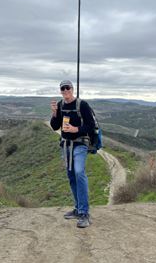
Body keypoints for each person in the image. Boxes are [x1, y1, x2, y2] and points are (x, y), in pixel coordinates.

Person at [50, 79, 95, 228]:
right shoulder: (61, 105)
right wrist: (55, 113)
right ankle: (78, 208)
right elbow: (55, 126)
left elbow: (90, 125)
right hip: (66, 145)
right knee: (71, 177)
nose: (65, 91)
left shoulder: (82, 105)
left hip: (80, 144)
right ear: (60, 91)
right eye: (63, 89)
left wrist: (76, 129)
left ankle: (84, 213)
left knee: (79, 172)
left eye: (67, 88)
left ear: (72, 89)